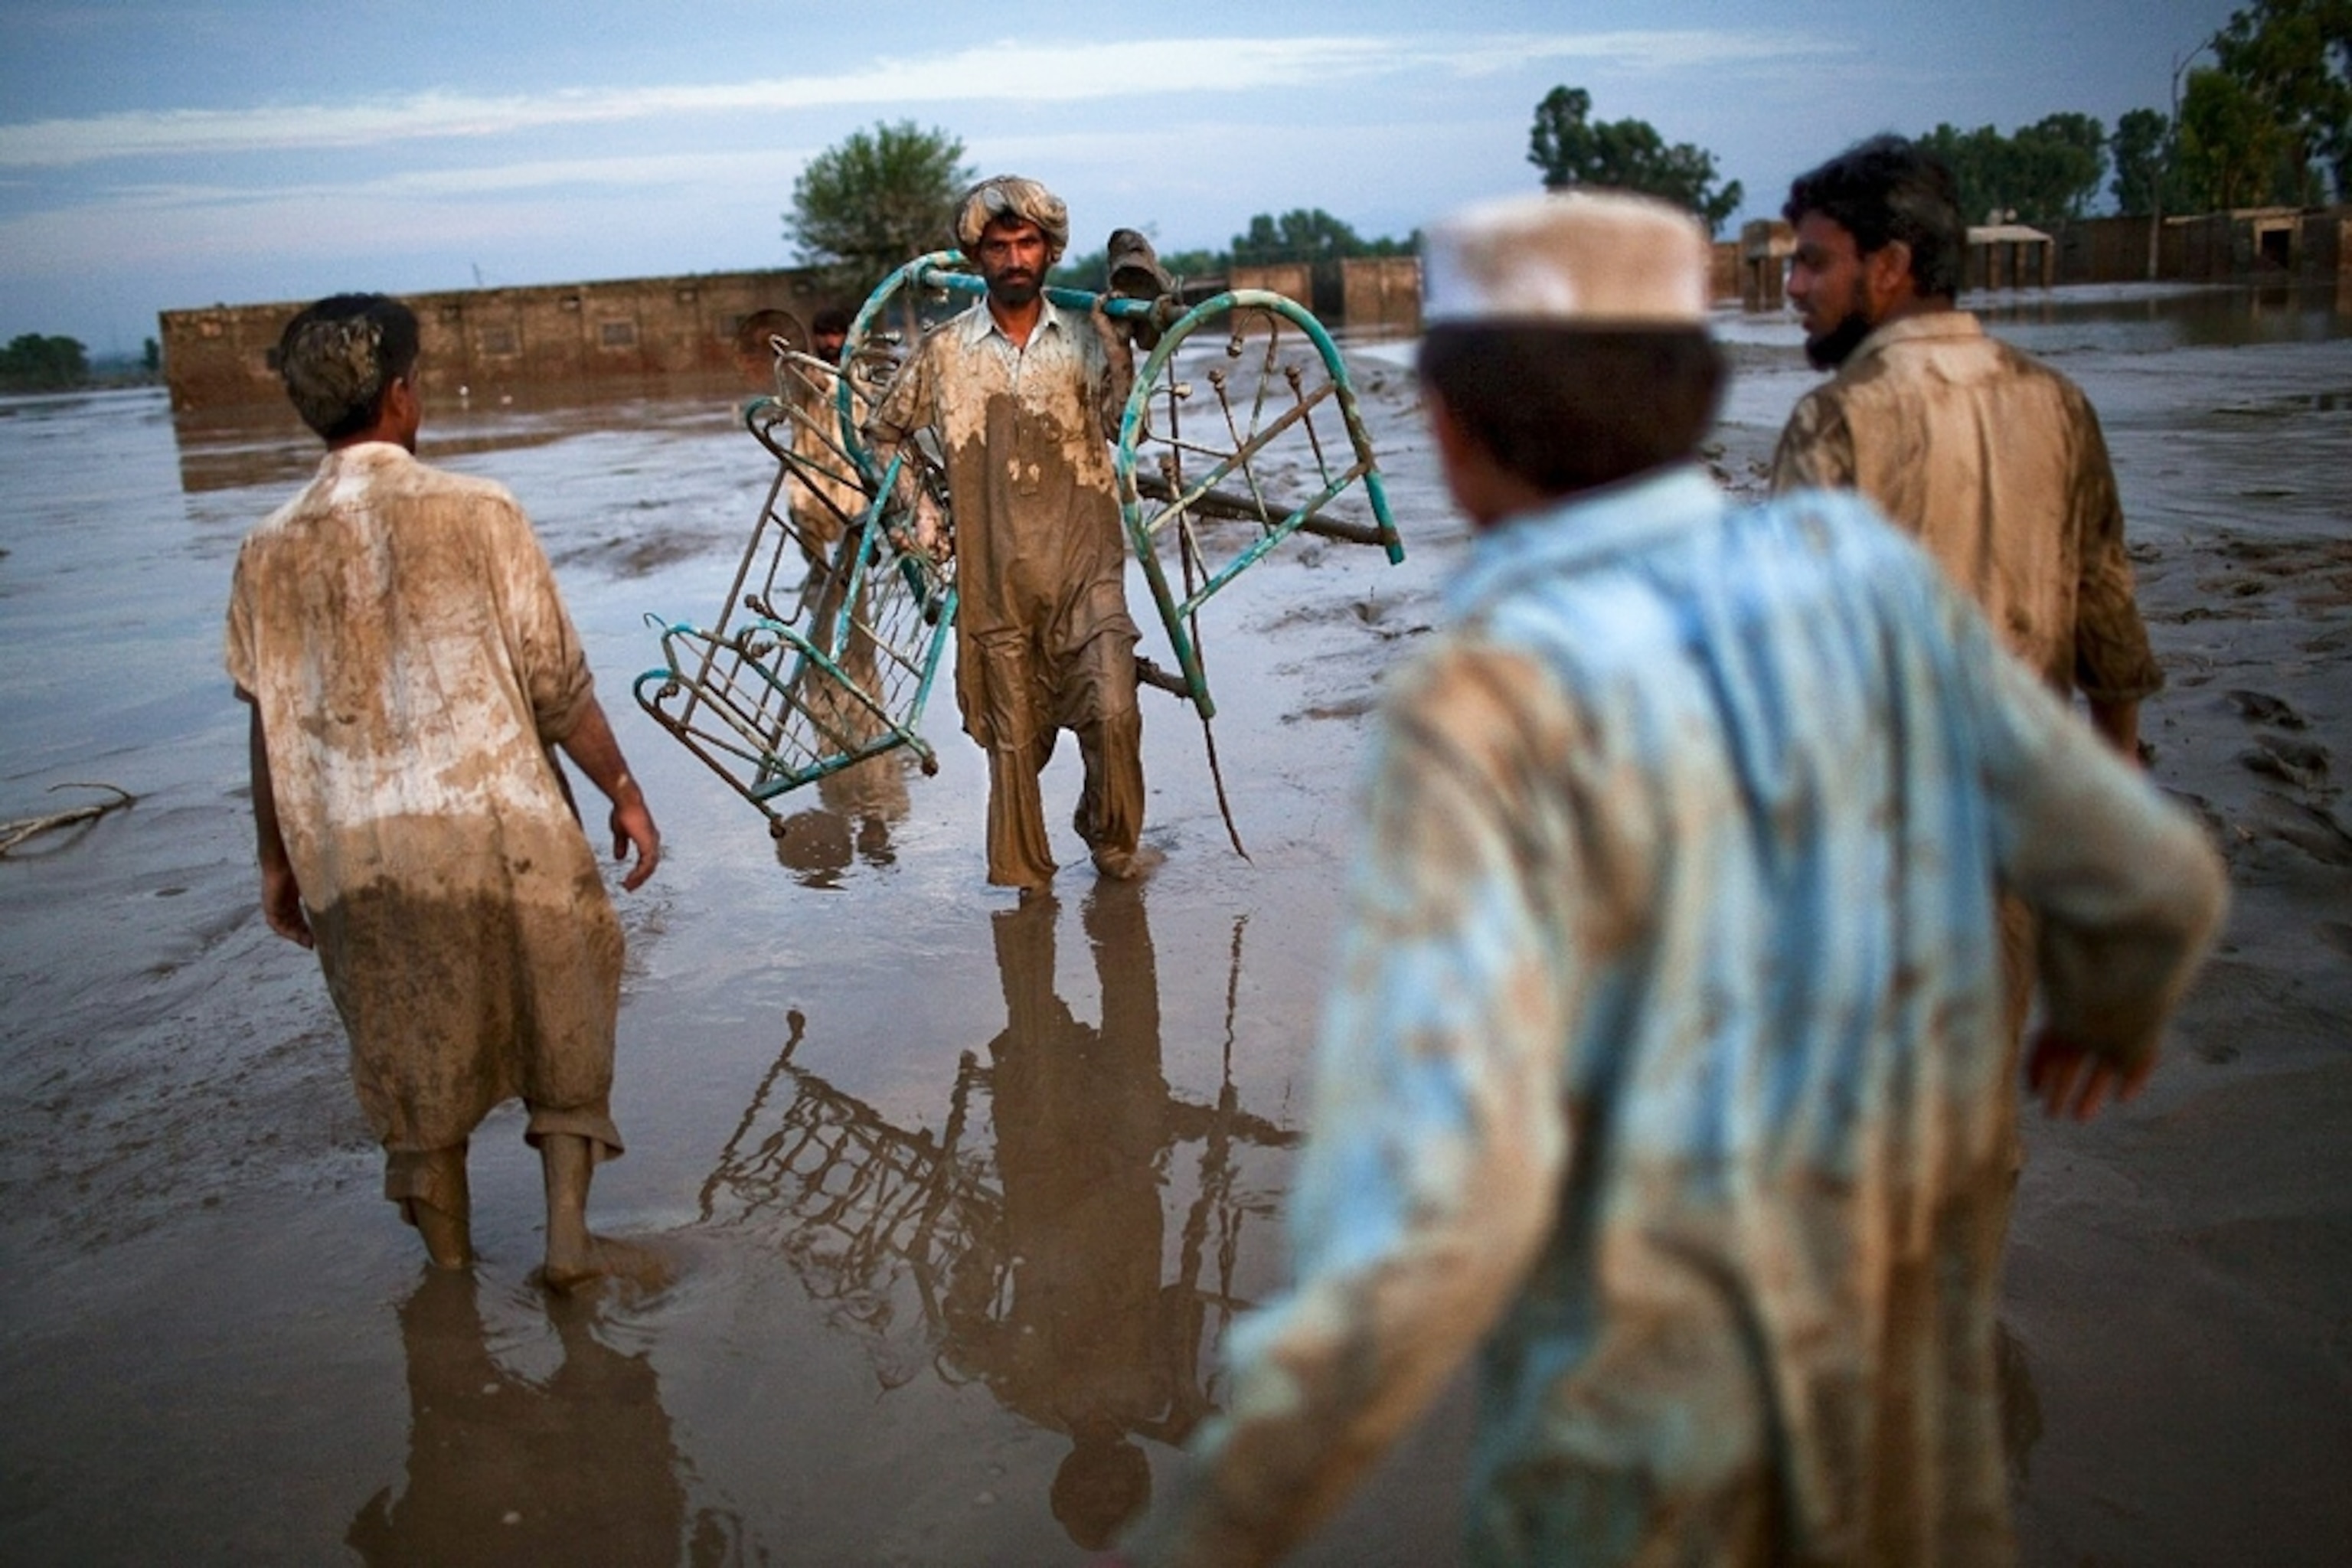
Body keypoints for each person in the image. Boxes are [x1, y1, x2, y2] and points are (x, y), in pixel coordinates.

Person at [1116, 191, 2226, 1566]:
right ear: (1690, 400)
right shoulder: (1852, 573)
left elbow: (1429, 1218)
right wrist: (2102, 1010)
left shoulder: (1478, 706)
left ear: (1456, 431)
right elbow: (2151, 876)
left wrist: (1227, 1516)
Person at [227, 292, 661, 1289]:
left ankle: (454, 1274)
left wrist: (275, 858)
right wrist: (625, 790)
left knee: (407, 1050)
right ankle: (567, 1244)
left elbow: (269, 723)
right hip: (502, 820)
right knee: (564, 1017)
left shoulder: (267, 548)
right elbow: (555, 682)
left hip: (360, 852)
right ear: (403, 394)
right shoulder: (480, 511)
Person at [1770, 133, 2169, 1071]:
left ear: (1893, 267)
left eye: (1814, 261)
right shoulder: (2056, 402)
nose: (1793, 285)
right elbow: (2109, 626)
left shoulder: (1838, 422)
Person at [864, 174, 1148, 893]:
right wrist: (922, 511)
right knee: (1013, 747)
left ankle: (1112, 840)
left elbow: (1125, 425)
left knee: (1114, 713)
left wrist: (1123, 346)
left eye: (1028, 243)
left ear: (1050, 253)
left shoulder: (1088, 334)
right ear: (978, 258)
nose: (1015, 257)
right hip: (995, 581)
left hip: (1087, 570)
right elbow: (883, 433)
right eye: (999, 246)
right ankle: (1030, 887)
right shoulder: (946, 351)